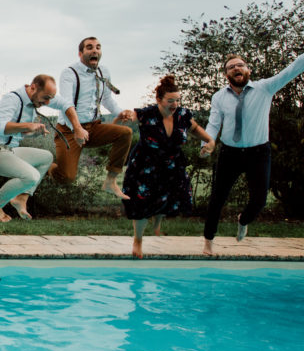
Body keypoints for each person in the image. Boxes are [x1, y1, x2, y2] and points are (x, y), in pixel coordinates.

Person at [202, 52, 304, 255]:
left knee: (259, 201)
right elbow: (213, 124)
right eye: (231, 67)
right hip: (230, 154)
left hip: (258, 153)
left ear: (248, 69)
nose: (236, 68)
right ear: (226, 75)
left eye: (240, 65)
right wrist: (208, 142)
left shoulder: (265, 88)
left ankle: (243, 220)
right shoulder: (219, 97)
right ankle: (208, 242)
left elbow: (292, 70)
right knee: (217, 199)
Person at [121, 75, 214, 257]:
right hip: (145, 164)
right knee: (141, 204)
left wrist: (209, 141)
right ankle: (138, 241)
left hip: (172, 165)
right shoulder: (147, 114)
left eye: (177, 100)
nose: (175, 104)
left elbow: (194, 129)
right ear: (159, 100)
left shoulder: (182, 115)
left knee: (173, 197)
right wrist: (123, 116)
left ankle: (157, 222)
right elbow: (130, 117)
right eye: (170, 101)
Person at [0, 75, 80, 222]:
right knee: (31, 176)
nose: (47, 103)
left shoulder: (34, 101)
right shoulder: (12, 99)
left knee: (46, 157)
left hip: (9, 150)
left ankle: (21, 197)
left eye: (50, 99)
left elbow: (64, 104)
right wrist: (28, 125)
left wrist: (33, 133)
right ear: (33, 87)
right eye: (45, 98)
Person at [49, 37, 135, 199]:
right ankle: (45, 166)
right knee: (66, 177)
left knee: (125, 133)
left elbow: (107, 99)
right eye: (89, 47)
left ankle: (110, 182)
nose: (95, 50)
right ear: (80, 53)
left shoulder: (103, 71)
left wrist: (120, 112)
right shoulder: (69, 73)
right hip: (69, 130)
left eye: (98, 47)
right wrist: (77, 129)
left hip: (93, 127)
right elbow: (66, 104)